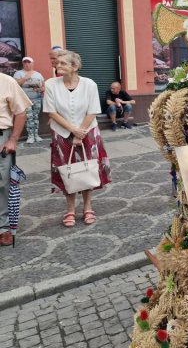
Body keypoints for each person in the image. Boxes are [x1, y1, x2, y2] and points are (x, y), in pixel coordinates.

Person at [43, 50, 111, 227]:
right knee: (68, 171)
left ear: (75, 66)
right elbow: (51, 111)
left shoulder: (90, 84)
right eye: (57, 63)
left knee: (87, 169)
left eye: (62, 63)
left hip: (88, 132)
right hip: (62, 133)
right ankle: (70, 210)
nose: (57, 66)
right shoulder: (51, 84)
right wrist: (73, 130)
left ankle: (88, 207)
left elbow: (93, 110)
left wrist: (80, 132)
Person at [0, 75, 30, 246]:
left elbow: (20, 112)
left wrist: (13, 139)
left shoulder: (7, 81)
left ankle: (3, 228)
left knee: (3, 183)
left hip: (1, 137)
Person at [14, 56, 45, 143]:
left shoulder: (38, 74)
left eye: (29, 62)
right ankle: (30, 136)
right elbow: (15, 85)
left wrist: (39, 89)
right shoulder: (18, 73)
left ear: (32, 63)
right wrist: (24, 78)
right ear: (23, 64)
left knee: (35, 117)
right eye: (25, 62)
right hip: (24, 100)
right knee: (29, 118)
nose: (27, 64)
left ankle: (36, 135)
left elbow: (44, 87)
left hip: (37, 99)